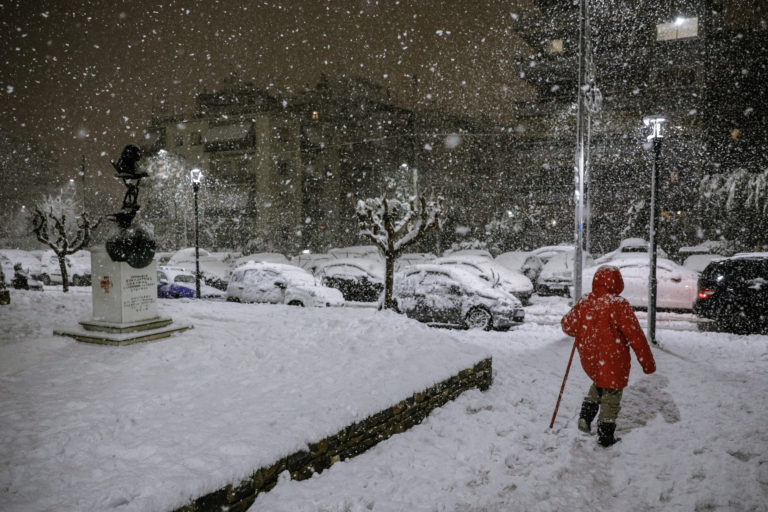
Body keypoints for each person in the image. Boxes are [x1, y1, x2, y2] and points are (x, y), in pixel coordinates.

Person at [561, 265, 656, 447]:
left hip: (590, 356)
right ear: (618, 283)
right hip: (614, 358)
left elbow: (567, 325)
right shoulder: (618, 304)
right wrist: (647, 363)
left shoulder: (586, 301)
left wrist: (581, 326)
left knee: (599, 381)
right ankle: (605, 435)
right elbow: (635, 336)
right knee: (612, 392)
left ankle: (585, 418)